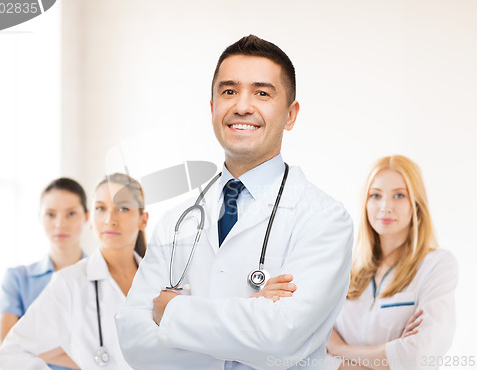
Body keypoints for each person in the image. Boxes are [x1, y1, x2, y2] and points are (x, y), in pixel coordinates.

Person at [115, 35, 353, 369]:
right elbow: (134, 340)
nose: (242, 106)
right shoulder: (177, 220)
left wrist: (170, 312)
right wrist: (250, 314)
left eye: (262, 92)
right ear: (213, 108)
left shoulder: (324, 219)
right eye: (229, 91)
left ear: (290, 114)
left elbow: (282, 337)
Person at [0, 173, 149, 370]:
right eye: (100, 208)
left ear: (143, 220)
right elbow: (11, 351)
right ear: (91, 219)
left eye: (123, 208)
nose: (110, 219)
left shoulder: (165, 280)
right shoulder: (68, 282)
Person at [325, 155, 458, 370]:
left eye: (399, 195)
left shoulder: (437, 266)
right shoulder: (342, 268)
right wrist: (393, 354)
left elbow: (419, 356)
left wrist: (340, 350)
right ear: (365, 202)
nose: (385, 206)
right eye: (376, 195)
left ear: (416, 204)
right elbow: (309, 352)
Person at [0, 177, 88, 370]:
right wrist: (91, 357)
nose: (60, 223)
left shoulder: (104, 277)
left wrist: (35, 348)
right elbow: (8, 349)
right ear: (40, 217)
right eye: (50, 214)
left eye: (71, 213)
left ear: (86, 216)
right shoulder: (17, 279)